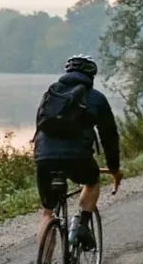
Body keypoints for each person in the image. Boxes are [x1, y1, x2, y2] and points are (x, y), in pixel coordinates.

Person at [33, 54, 122, 251]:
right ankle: (83, 224)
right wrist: (114, 168)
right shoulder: (96, 98)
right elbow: (109, 136)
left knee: (47, 213)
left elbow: (39, 128)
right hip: (78, 158)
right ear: (91, 75)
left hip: (44, 158)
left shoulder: (50, 94)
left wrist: (40, 157)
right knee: (92, 181)